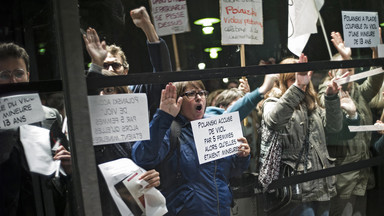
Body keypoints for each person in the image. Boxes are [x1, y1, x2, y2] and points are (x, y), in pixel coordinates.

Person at [132, 81, 251, 215]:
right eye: (191, 94)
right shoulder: (170, 130)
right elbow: (142, 156)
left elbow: (233, 172)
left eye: (202, 93)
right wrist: (163, 117)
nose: (199, 97)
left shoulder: (215, 127)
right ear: (179, 101)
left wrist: (242, 156)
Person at [261, 54, 344, 216]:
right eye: (294, 79)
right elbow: (274, 121)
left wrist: (331, 97)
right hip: (296, 188)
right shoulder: (273, 102)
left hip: (321, 183)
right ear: (285, 81)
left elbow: (334, 127)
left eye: (304, 77)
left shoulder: (311, 104)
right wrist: (297, 88)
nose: (301, 81)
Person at [317, 32, 384, 216]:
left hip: (362, 171)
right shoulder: (327, 90)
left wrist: (377, 51)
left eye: (351, 68)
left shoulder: (359, 92)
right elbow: (337, 91)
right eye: (344, 69)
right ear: (332, 73)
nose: (349, 73)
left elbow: (376, 78)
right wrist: (346, 58)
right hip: (343, 174)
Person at [0, 42, 70, 216]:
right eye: (4, 75)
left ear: (28, 76)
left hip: (46, 204)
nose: (13, 80)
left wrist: (68, 166)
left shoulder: (50, 116)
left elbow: (62, 163)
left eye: (18, 73)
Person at [83, 6, 172, 120]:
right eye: (104, 66)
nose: (110, 70)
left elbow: (162, 77)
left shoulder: (136, 92)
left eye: (116, 65)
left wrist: (148, 28)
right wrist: (96, 63)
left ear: (125, 71)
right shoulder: (95, 91)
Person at [93, 69, 161, 215]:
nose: (101, 95)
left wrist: (152, 177)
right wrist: (95, 66)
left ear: (121, 94)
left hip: (134, 207)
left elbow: (145, 166)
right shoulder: (90, 134)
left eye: (109, 90)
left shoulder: (136, 130)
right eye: (98, 91)